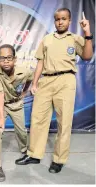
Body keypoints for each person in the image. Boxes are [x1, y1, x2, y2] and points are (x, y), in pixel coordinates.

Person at [20, 8, 93, 173]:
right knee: (38, 119)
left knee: (64, 122)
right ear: (54, 21)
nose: (60, 22)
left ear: (69, 20)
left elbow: (88, 56)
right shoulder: (47, 39)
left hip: (66, 80)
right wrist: (35, 83)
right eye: (58, 19)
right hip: (46, 80)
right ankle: (34, 154)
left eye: (64, 19)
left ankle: (59, 159)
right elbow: (40, 62)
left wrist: (87, 32)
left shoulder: (75, 39)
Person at [0, 44, 33, 164]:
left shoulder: (24, 71)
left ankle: (24, 151)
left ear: (15, 59)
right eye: (2, 58)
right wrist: (0, 118)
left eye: (9, 58)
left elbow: (30, 78)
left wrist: (25, 91)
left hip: (16, 104)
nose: (6, 62)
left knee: (22, 132)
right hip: (2, 104)